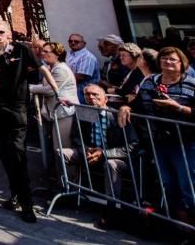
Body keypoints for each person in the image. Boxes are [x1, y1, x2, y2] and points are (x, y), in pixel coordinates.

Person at [118, 46, 195, 226]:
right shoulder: (150, 81)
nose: (167, 62)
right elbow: (137, 104)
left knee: (188, 187)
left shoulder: (191, 83)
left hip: (185, 143)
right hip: (158, 141)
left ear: (181, 63)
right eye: (164, 59)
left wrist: (178, 108)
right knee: (168, 185)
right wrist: (125, 107)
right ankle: (184, 230)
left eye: (172, 59)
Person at [0, 20, 39, 222]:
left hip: (17, 106)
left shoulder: (21, 50)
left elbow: (37, 70)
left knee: (18, 153)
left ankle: (28, 204)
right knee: (4, 152)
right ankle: (15, 196)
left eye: (1, 31)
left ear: (9, 33)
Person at [62, 84, 137, 230]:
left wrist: (104, 153)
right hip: (90, 153)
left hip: (117, 157)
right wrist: (85, 150)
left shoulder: (117, 115)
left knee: (111, 165)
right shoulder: (84, 113)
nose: (91, 98)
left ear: (105, 99)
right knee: (62, 153)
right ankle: (70, 193)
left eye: (95, 95)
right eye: (87, 95)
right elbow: (76, 137)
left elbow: (132, 146)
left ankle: (111, 209)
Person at [30, 41, 79, 151]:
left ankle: (68, 169)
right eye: (42, 51)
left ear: (57, 54)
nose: (42, 54)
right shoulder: (51, 68)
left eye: (46, 52)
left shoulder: (61, 69)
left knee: (62, 148)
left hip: (64, 112)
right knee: (56, 146)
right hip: (55, 112)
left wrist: (29, 88)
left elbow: (49, 90)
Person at [66, 33, 100, 101]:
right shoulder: (69, 54)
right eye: (70, 41)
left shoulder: (87, 57)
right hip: (72, 90)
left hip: (85, 93)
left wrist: (62, 79)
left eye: (76, 41)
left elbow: (81, 76)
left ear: (84, 43)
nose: (73, 43)